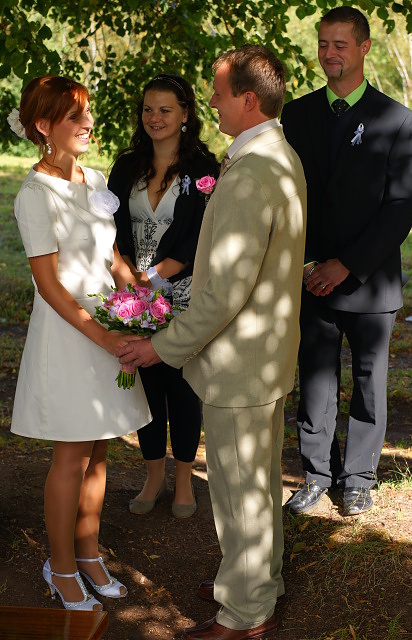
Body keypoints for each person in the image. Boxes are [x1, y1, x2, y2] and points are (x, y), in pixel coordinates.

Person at [116, 45, 307, 640]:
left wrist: (160, 347)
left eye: (219, 94)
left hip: (239, 363)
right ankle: (255, 582)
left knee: (240, 491)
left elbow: (223, 292)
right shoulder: (277, 155)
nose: (212, 104)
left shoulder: (250, 174)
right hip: (263, 357)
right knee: (257, 484)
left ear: (248, 99)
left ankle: (245, 614)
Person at [9, 75, 151, 610]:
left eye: (87, 113)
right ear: (44, 126)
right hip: (71, 336)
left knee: (100, 449)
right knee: (71, 456)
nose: (88, 123)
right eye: (75, 116)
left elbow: (110, 256)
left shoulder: (93, 178)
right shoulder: (35, 195)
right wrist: (105, 336)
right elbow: (49, 285)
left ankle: (89, 554)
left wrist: (141, 300)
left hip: (109, 329)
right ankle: (61, 566)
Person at [281, 6, 412, 517]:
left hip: (369, 280)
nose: (329, 53)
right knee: (315, 380)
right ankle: (316, 474)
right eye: (323, 43)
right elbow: (287, 196)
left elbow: (401, 206)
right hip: (310, 277)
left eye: (340, 44)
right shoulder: (296, 115)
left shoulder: (396, 120)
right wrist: (307, 262)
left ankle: (359, 478)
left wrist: (348, 265)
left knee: (368, 382)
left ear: (364, 48)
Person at [108, 74, 219, 518]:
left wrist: (153, 276)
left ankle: (185, 480)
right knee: (147, 386)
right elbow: (109, 226)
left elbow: (201, 235)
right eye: (148, 109)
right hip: (132, 292)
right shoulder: (126, 167)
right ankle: (153, 476)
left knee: (183, 387)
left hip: (183, 291)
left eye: (165, 110)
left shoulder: (204, 169)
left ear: (185, 114)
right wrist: (125, 274)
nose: (155, 118)